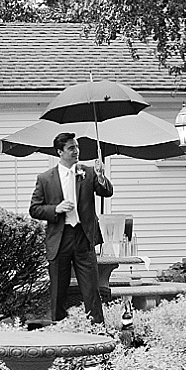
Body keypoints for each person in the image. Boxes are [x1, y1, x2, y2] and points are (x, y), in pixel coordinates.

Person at [29, 133, 114, 324]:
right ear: (59, 152)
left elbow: (107, 192)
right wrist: (55, 209)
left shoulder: (88, 172)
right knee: (58, 290)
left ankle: (97, 330)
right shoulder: (45, 178)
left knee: (91, 289)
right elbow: (34, 209)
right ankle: (59, 330)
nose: (76, 151)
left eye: (76, 147)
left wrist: (101, 176)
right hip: (60, 239)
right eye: (71, 148)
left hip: (84, 237)